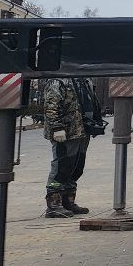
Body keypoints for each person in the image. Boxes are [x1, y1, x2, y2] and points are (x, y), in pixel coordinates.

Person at [41, 76, 106, 218]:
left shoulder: (84, 80)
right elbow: (51, 105)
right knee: (62, 166)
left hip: (82, 130)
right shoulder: (58, 80)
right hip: (66, 131)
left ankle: (68, 201)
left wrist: (96, 122)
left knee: (77, 167)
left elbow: (91, 101)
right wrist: (57, 127)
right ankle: (54, 204)